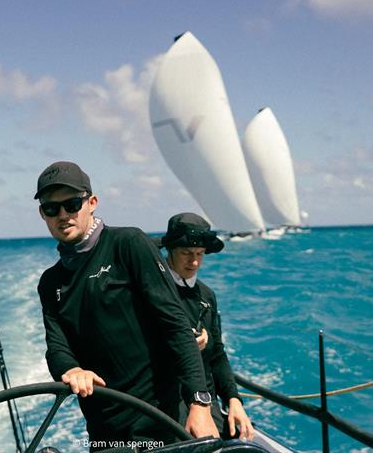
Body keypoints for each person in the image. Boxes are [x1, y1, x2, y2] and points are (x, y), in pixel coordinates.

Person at [34, 161, 219, 449]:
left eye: (72, 204)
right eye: (51, 208)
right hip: (102, 430)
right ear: (42, 214)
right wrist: (70, 369)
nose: (63, 215)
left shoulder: (128, 244)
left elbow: (174, 324)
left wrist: (200, 402)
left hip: (156, 422)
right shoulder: (50, 282)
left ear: (91, 203)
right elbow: (57, 347)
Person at [158, 213, 254, 441]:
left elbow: (218, 354)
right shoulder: (153, 291)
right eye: (186, 253)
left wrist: (233, 399)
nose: (194, 262)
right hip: (166, 404)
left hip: (206, 401)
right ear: (170, 250)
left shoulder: (207, 296)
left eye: (200, 254)